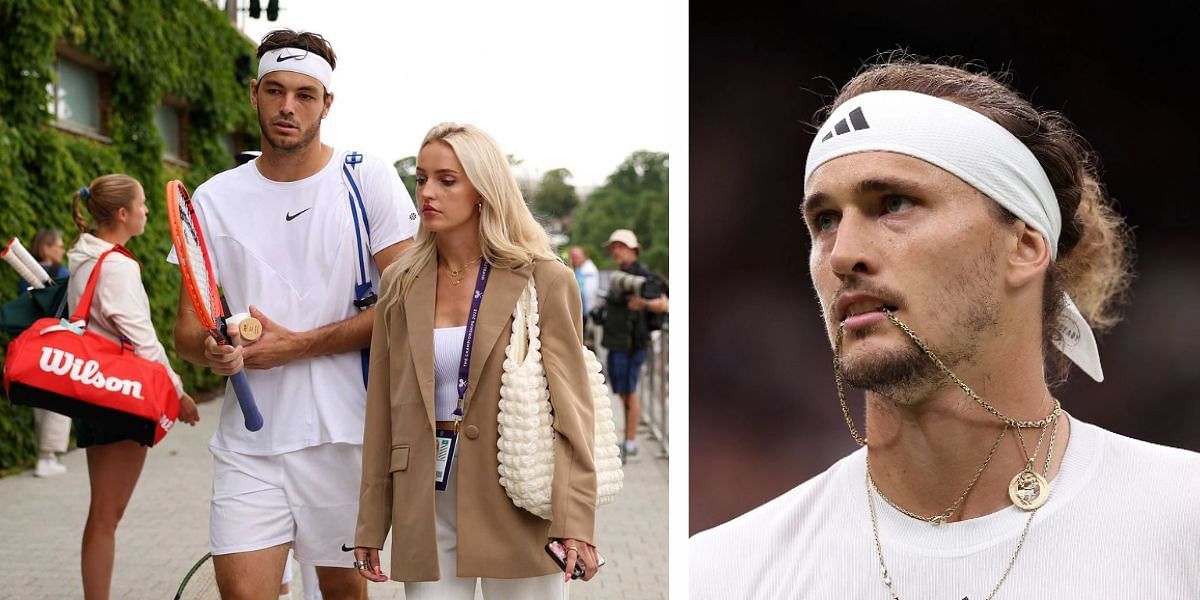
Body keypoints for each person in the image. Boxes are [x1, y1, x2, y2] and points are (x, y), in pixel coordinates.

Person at [689, 58, 1200, 597]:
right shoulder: (720, 573)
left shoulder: (1184, 518)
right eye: (825, 221)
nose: (842, 255)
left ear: (1024, 246)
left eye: (894, 204)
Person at [172, 29, 417, 600]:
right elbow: (187, 327)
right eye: (275, 90)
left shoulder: (367, 177)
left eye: (306, 94)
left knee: (342, 596)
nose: (288, 107)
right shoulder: (212, 198)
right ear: (254, 93)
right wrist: (210, 350)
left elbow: (408, 309)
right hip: (249, 444)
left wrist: (299, 345)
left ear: (327, 104)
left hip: (346, 440)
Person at [353, 122, 600, 598]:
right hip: (425, 496)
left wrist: (575, 518)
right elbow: (381, 407)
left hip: (517, 493)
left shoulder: (544, 278)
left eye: (447, 180)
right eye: (422, 178)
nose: (428, 192)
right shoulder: (400, 283)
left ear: (483, 191)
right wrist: (370, 522)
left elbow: (574, 413)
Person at [67, 175, 199, 600]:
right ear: (122, 214)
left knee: (105, 513)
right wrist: (178, 392)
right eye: (142, 204)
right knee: (106, 514)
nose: (147, 211)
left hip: (93, 392)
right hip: (118, 397)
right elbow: (143, 340)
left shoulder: (84, 258)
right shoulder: (116, 266)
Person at [600, 229, 668, 462]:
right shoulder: (620, 276)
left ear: (633, 249)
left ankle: (630, 443)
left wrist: (644, 304)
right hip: (616, 340)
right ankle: (628, 440)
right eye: (613, 247)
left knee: (631, 393)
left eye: (620, 246)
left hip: (634, 342)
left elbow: (666, 304)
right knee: (622, 392)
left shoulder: (646, 277)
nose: (615, 251)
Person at [19, 228, 73, 477]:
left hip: (32, 341)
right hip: (58, 341)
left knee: (40, 397)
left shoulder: (24, 275)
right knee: (59, 397)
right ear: (46, 248)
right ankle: (47, 456)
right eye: (58, 246)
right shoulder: (61, 274)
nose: (62, 250)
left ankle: (44, 454)